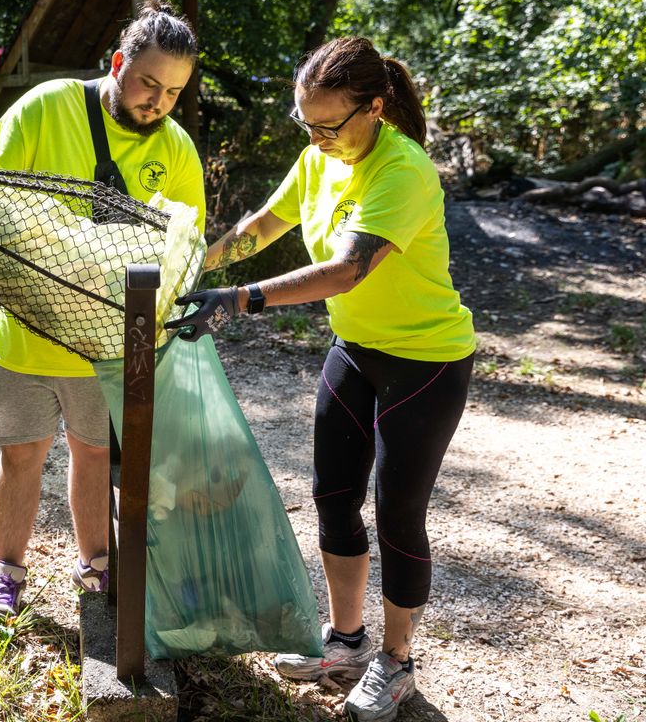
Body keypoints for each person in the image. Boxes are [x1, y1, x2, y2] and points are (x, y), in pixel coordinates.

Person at [166, 37, 475, 722]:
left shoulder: (404, 169)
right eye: (305, 123)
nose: (316, 137)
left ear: (374, 107)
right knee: (334, 496)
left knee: (398, 514)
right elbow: (260, 226)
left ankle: (396, 665)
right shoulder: (317, 159)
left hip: (427, 362)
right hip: (357, 347)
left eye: (329, 125)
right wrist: (193, 270)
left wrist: (240, 299)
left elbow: (347, 269)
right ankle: (347, 645)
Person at [0, 0, 206, 617]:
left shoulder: (175, 150)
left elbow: (182, 251)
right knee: (21, 454)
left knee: (94, 454)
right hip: (19, 332)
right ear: (120, 61)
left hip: (102, 343)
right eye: (150, 83)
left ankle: (97, 567)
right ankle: (8, 575)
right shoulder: (47, 107)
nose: (158, 101)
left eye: (174, 92)